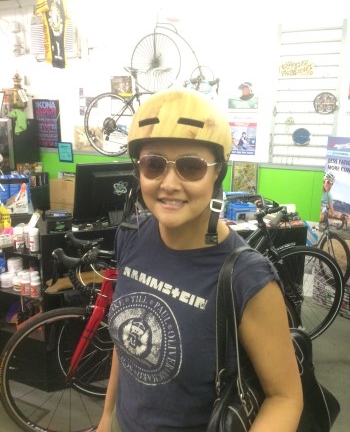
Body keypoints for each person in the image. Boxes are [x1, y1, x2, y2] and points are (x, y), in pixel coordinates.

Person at [97, 89, 303, 431]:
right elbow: (127, 338)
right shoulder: (131, 236)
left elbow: (285, 398)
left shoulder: (247, 278)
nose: (169, 183)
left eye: (191, 167)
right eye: (153, 164)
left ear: (217, 174)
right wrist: (107, 416)